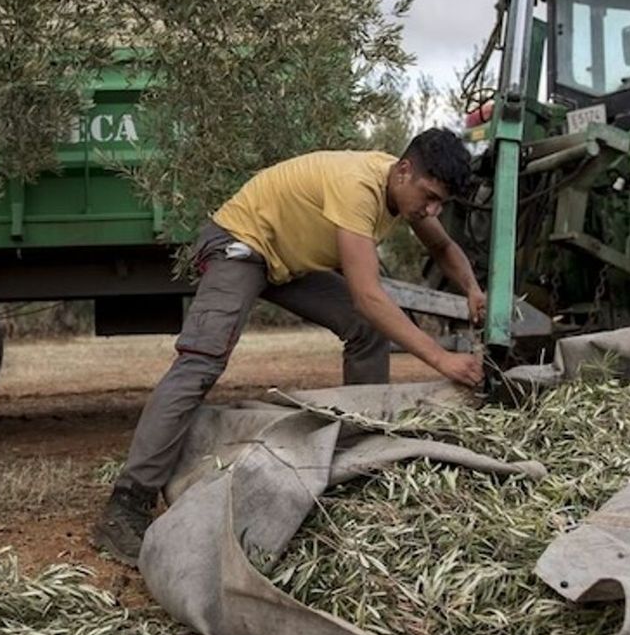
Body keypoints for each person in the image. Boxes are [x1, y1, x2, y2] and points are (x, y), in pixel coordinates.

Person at [90, 128, 486, 565]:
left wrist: (471, 287)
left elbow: (443, 245)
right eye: (428, 197)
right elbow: (368, 296)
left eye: (440, 203)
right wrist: (440, 358)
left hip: (284, 262)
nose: (431, 210)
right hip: (238, 242)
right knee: (202, 362)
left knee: (365, 331)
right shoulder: (359, 186)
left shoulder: (403, 189)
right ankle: (127, 504)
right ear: (404, 170)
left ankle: (362, 455)